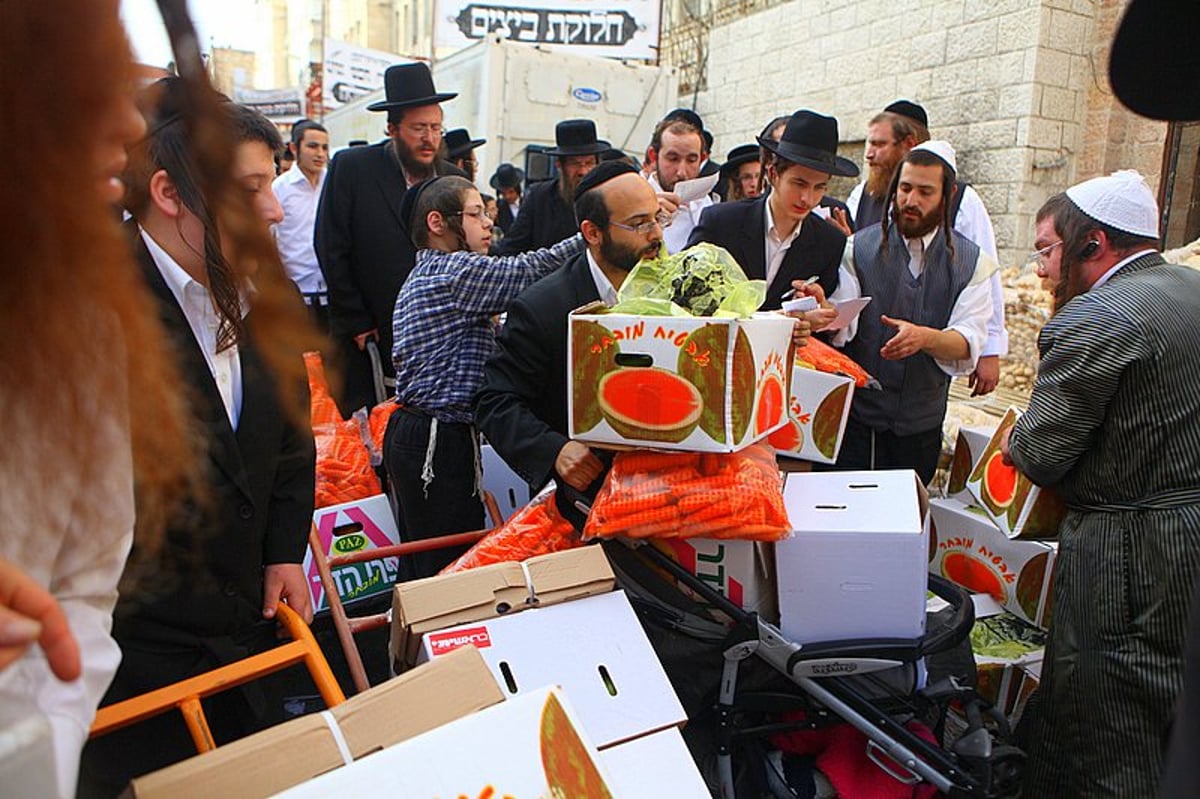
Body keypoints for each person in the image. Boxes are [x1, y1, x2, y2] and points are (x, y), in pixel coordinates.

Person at [78, 80, 319, 795]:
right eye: (248, 189)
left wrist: (283, 548)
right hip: (132, 674)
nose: (274, 209)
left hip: (244, 639)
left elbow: (289, 439)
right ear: (169, 191)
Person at [0, 2, 197, 795]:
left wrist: (34, 739)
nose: (124, 121)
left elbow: (86, 578)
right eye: (79, 89)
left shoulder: (84, 323)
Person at [998, 170, 1200, 797]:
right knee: (1168, 705)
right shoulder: (1190, 291)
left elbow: (1040, 454)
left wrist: (1013, 439)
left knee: (1109, 717)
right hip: (1185, 534)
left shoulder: (1096, 318)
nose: (1041, 272)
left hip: (1132, 555)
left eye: (1048, 250)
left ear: (1095, 245)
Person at [385, 176, 585, 578]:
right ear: (438, 223)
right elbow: (532, 270)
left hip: (428, 434)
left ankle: (414, 637)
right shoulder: (454, 272)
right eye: (475, 214)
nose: (488, 223)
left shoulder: (436, 273)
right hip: (433, 441)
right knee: (442, 565)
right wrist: (592, 235)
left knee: (430, 559)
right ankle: (431, 638)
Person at [475, 161, 662, 527]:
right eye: (639, 224)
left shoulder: (675, 289)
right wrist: (555, 450)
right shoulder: (543, 306)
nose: (656, 234)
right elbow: (494, 401)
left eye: (658, 219)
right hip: (580, 503)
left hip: (663, 492)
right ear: (592, 232)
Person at [831, 142, 996, 485]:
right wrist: (824, 311)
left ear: (947, 195)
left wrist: (925, 338)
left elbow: (969, 341)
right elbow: (840, 329)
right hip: (860, 426)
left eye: (925, 192)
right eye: (905, 189)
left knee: (907, 524)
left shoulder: (972, 264)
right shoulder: (857, 249)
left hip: (921, 426)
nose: (911, 201)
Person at [315, 62, 461, 414]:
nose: (429, 139)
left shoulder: (451, 178)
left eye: (436, 128)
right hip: (369, 334)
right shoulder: (353, 168)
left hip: (435, 337)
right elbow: (331, 245)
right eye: (419, 128)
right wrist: (356, 319)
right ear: (393, 128)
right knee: (368, 434)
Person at [843, 100, 1007, 396]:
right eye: (904, 189)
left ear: (907, 145)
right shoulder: (861, 196)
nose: (870, 154)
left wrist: (989, 349)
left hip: (924, 390)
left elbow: (982, 274)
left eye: (880, 144)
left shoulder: (966, 203)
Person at [687, 110, 857, 310]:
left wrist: (816, 311)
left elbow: (818, 320)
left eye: (819, 187)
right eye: (799, 183)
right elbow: (684, 294)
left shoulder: (829, 242)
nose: (807, 198)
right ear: (773, 174)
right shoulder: (721, 222)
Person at [491, 119, 606, 255]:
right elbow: (511, 247)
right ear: (559, 165)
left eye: (589, 163)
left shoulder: (608, 199)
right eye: (575, 163)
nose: (583, 171)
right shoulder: (539, 198)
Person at [272, 119, 330, 329]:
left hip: (332, 296)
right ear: (295, 148)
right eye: (313, 146)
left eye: (325, 147)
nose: (320, 154)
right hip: (297, 297)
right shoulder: (280, 188)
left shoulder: (333, 183)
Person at [644, 111, 711, 253]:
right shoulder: (635, 201)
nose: (681, 172)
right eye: (673, 159)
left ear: (702, 158)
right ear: (653, 156)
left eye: (691, 160)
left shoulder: (706, 203)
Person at [490, 162, 524, 235]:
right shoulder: (498, 208)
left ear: (517, 190)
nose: (507, 196)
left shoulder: (528, 203)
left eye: (511, 192)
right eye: (503, 193)